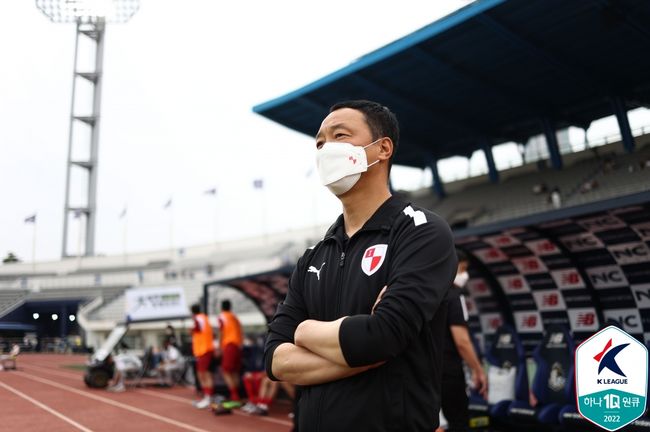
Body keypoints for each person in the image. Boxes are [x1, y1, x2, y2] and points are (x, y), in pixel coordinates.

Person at [264, 100, 457, 431]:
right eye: (320, 142)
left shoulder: (421, 230)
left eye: (340, 135)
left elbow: (382, 337)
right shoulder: (313, 255)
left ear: (382, 148)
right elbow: (275, 359)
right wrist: (360, 352)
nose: (326, 149)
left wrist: (304, 331)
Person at [438, 250, 488, 432]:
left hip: (428, 371)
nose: (465, 274)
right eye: (463, 268)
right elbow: (462, 342)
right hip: (449, 372)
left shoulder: (430, 292)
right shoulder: (454, 295)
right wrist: (478, 370)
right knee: (459, 423)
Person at [217, 299, 243, 405]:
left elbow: (221, 332)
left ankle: (235, 397)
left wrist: (219, 347)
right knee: (234, 371)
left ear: (221, 307)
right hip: (237, 345)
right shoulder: (234, 317)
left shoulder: (222, 316)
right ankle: (237, 396)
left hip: (229, 344)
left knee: (226, 371)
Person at [190, 303, 215, 408]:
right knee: (206, 374)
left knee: (202, 374)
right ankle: (208, 397)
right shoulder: (204, 318)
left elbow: (196, 329)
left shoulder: (198, 319)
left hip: (203, 350)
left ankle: (208, 397)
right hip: (206, 349)